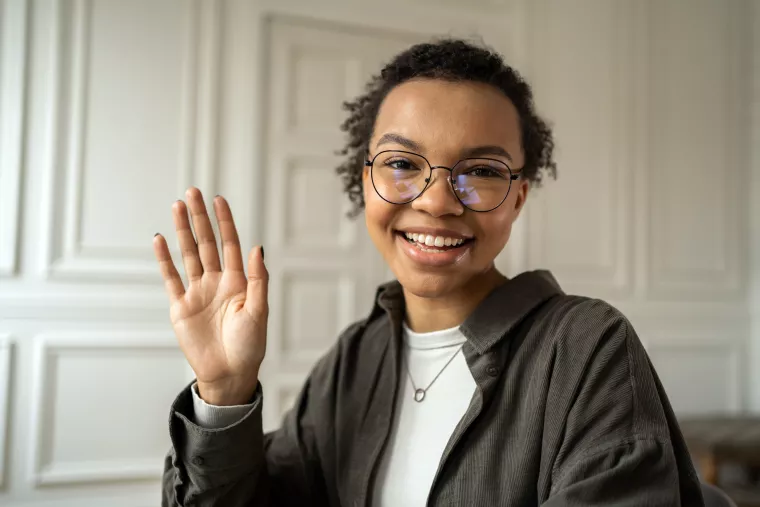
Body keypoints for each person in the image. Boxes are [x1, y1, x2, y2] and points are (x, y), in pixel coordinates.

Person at [155, 39, 704, 506]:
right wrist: (224, 392)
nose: (438, 201)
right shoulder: (354, 358)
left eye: (482, 172)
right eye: (401, 164)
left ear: (517, 198)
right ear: (363, 179)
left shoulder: (585, 349)